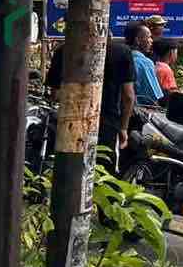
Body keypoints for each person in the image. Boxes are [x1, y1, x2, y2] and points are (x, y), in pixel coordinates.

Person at [46, 38, 135, 172]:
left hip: (70, 124)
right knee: (103, 170)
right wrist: (123, 128)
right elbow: (128, 96)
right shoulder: (122, 52)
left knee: (69, 170)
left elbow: (56, 94)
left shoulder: (63, 51)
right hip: (107, 124)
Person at [125, 21, 164, 106]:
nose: (151, 41)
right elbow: (153, 97)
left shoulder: (122, 58)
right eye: (149, 37)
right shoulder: (145, 63)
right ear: (137, 40)